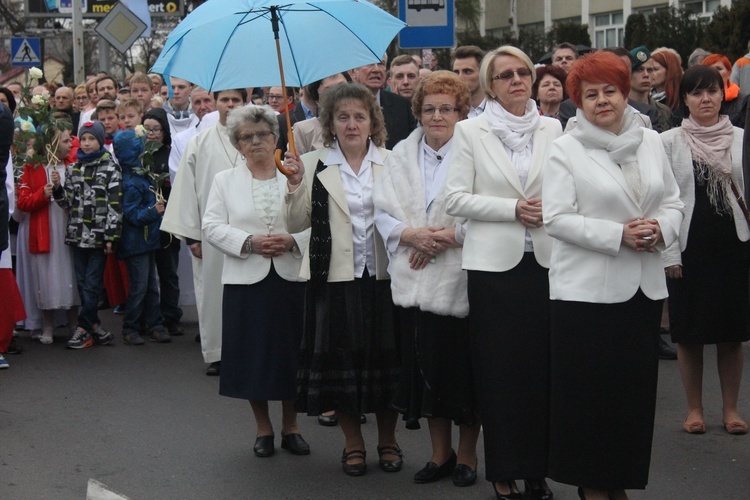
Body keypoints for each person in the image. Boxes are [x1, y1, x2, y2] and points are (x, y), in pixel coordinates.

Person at [542, 51, 683, 499]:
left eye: (610, 91)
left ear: (625, 93)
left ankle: (619, 480)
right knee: (590, 397)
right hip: (586, 294)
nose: (602, 100)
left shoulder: (650, 141)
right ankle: (591, 484)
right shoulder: (565, 149)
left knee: (632, 399)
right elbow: (557, 218)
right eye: (591, 95)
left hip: (641, 289)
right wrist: (617, 234)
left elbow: (674, 202)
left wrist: (661, 228)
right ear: (578, 103)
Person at [444, 45, 562, 500]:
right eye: (505, 75)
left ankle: (537, 470)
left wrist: (545, 210)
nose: (516, 81)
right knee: (499, 372)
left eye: (523, 73)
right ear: (490, 85)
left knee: (540, 372)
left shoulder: (555, 128)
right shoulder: (471, 131)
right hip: (494, 269)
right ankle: (502, 470)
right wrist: (511, 208)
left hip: (547, 264)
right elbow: (454, 199)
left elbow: (570, 190)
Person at [284, 83, 402, 477]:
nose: (352, 124)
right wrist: (295, 183)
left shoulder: (393, 161)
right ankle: (354, 444)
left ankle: (389, 441)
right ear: (330, 124)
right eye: (343, 117)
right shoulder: (313, 162)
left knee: (387, 362)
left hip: (385, 277)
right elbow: (296, 223)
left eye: (360, 116)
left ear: (373, 122)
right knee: (343, 365)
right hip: (333, 279)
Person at [374, 70, 481, 487]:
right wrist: (411, 235)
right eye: (429, 108)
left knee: (465, 373)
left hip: (462, 277)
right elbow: (382, 210)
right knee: (426, 372)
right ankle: (441, 454)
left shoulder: (476, 150)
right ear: (417, 112)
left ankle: (468, 455)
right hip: (413, 280)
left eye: (447, 108)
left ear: (461, 112)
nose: (438, 116)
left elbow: (484, 211)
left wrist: (441, 239)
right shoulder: (400, 153)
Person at [202, 105, 311, 458]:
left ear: (276, 138)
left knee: (291, 353)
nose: (256, 141)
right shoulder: (224, 181)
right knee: (253, 356)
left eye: (262, 134)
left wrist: (293, 241)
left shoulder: (296, 176)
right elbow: (212, 226)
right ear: (237, 145)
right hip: (246, 281)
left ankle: (291, 426)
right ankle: (263, 428)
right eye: (246, 137)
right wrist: (249, 243)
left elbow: (318, 222)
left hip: (291, 277)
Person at [661, 65, 749, 436]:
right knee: (690, 333)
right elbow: (662, 199)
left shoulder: (742, 138)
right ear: (684, 99)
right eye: (696, 93)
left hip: (735, 245)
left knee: (732, 333)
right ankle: (694, 409)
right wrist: (668, 254)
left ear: (723, 93)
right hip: (689, 248)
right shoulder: (668, 141)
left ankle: (731, 410)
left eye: (712, 91)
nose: (706, 99)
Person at [161, 88, 247, 375]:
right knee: (213, 292)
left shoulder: (258, 137)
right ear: (216, 105)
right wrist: (192, 235)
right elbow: (186, 189)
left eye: (236, 100)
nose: (231, 105)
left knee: (250, 292)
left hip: (252, 231)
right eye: (225, 99)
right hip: (212, 232)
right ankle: (218, 353)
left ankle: (250, 349)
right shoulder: (200, 142)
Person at [51, 121, 122, 349]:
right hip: (77, 234)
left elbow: (114, 205)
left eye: (92, 139)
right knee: (83, 284)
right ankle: (96, 328)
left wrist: (111, 235)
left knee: (92, 284)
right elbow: (67, 204)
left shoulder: (110, 168)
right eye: (83, 139)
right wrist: (57, 189)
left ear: (100, 141)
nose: (87, 143)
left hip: (99, 237)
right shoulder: (74, 169)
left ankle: (83, 327)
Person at [16, 121, 80, 345]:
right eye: (65, 141)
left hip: (67, 229)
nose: (70, 143)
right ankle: (48, 326)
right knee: (45, 276)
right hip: (44, 229)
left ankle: (74, 325)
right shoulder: (33, 169)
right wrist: (42, 194)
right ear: (52, 144)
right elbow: (23, 202)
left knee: (71, 275)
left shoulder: (73, 165)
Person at [113, 130, 171, 345]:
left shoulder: (141, 175)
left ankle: (154, 324)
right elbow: (131, 215)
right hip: (135, 242)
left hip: (146, 241)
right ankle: (131, 327)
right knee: (139, 286)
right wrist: (152, 212)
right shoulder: (131, 182)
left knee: (150, 285)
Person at [143, 108, 184, 336]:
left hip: (167, 218)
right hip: (146, 220)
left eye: (156, 129)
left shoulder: (171, 154)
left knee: (169, 271)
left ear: (165, 131)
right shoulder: (140, 155)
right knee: (147, 275)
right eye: (147, 129)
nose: (151, 134)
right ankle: (150, 316)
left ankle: (171, 315)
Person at [349, 55, 417, 150]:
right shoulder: (341, 106)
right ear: (353, 72)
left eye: (381, 64)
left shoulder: (402, 106)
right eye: (369, 64)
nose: (376, 69)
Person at [702, 54, 748, 128]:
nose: (714, 72)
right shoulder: (698, 100)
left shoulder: (744, 102)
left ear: (729, 73)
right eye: (709, 69)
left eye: (719, 69)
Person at [651, 48, 684, 127]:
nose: (649, 74)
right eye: (649, 69)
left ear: (670, 71)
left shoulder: (682, 101)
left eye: (655, 69)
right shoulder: (647, 98)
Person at [452, 45, 487, 117]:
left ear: (483, 73)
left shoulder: (500, 109)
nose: (460, 77)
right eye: (456, 72)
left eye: (467, 71)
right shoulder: (451, 111)